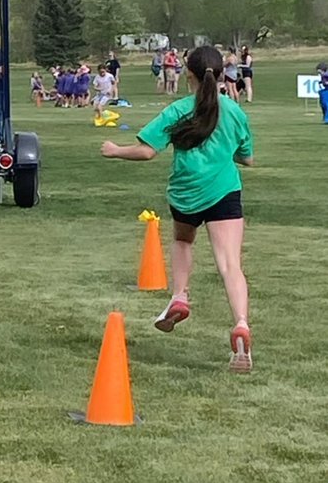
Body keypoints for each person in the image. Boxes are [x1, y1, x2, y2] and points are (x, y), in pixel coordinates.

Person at [102, 45, 254, 373]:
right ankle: (241, 323)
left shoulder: (178, 111)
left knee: (184, 241)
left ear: (189, 75)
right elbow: (247, 156)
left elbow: (146, 151)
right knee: (231, 266)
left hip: (186, 194)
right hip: (224, 191)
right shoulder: (233, 111)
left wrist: (115, 150)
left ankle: (180, 295)